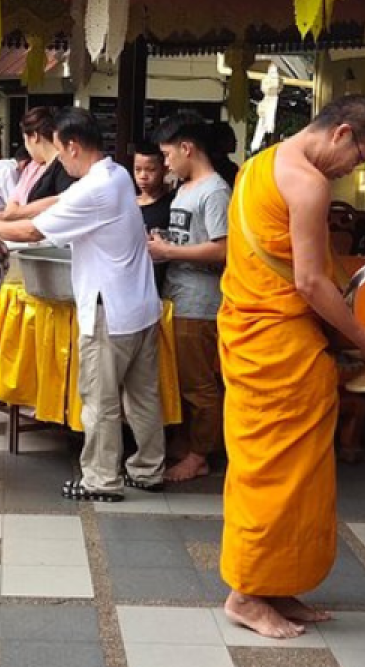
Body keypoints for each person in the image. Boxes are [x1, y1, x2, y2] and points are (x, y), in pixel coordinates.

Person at [219, 95, 365, 638]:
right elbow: (309, 281)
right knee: (274, 475)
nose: (356, 169)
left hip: (262, 334)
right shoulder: (309, 182)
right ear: (342, 133)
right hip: (277, 345)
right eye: (362, 156)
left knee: (297, 475)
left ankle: (275, 584)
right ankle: (246, 594)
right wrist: (364, 338)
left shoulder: (261, 164)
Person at [0, 107, 166, 502]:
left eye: (59, 151)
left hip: (109, 311)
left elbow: (32, 231)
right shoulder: (116, 174)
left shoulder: (95, 190)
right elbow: (56, 202)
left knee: (100, 400)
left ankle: (100, 480)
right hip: (142, 307)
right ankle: (148, 468)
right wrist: (5, 212)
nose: (57, 160)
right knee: (143, 395)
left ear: (73, 147)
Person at [147, 114, 232, 482]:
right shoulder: (185, 188)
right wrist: (165, 242)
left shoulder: (215, 191)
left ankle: (200, 454)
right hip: (177, 296)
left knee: (199, 384)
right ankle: (188, 444)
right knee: (180, 379)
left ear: (187, 148)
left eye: (167, 155)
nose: (165, 163)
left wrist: (169, 251)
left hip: (200, 302)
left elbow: (222, 250)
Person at [0, 107, 64, 222]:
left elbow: (62, 202)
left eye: (25, 140)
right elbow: (13, 201)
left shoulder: (64, 167)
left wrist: (13, 214)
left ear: (34, 136)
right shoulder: (32, 166)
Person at [134, 141, 174, 233]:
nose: (143, 176)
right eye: (138, 169)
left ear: (164, 169)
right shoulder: (127, 204)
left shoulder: (171, 206)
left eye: (151, 170)